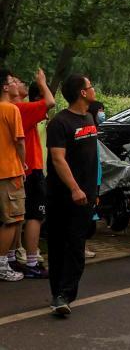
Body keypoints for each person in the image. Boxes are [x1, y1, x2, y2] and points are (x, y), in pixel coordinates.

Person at [45, 74, 99, 314]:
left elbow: (91, 159)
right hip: (62, 196)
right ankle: (58, 294)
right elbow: (58, 158)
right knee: (58, 246)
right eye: (90, 86)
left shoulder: (89, 117)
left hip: (84, 197)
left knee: (76, 246)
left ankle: (65, 293)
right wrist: (74, 188)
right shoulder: (60, 122)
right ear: (82, 92)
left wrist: (93, 190)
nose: (93, 88)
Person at [10, 71, 55, 278]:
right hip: (30, 167)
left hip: (20, 168)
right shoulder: (20, 109)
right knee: (34, 215)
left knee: (17, 216)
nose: (20, 83)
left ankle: (11, 258)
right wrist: (42, 83)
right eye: (15, 81)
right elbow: (49, 102)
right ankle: (31, 260)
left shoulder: (14, 109)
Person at [0, 69, 26, 282]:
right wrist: (23, 162)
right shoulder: (11, 109)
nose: (16, 84)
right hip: (9, 171)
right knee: (12, 219)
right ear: (5, 87)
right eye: (12, 81)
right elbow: (19, 141)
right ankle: (2, 264)